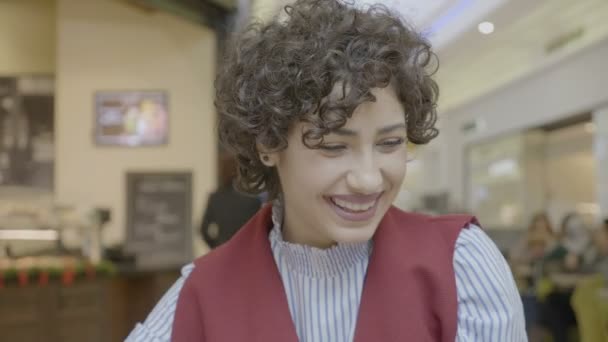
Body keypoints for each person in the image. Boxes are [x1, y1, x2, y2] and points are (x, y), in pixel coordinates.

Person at [126, 0, 526, 341]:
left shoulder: (461, 266)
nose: (369, 179)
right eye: (335, 146)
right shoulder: (203, 293)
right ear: (268, 145)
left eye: (390, 143)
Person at [200, 155, 262, 248]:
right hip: (245, 250)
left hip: (223, 250)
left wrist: (216, 246)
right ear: (242, 172)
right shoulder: (253, 200)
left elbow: (203, 229)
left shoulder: (216, 198)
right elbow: (260, 231)